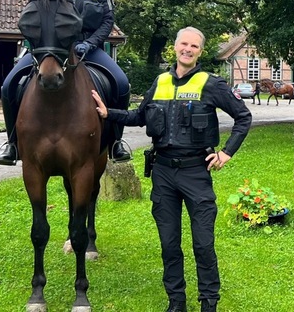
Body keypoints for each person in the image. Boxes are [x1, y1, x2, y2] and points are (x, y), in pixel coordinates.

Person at [92, 26, 252, 312]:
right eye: (183, 44)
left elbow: (243, 116)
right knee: (169, 244)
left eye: (194, 46)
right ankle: (176, 301)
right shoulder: (160, 81)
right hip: (163, 172)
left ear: (200, 51)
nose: (187, 49)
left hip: (195, 172)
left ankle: (208, 302)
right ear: (175, 47)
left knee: (203, 244)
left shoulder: (210, 83)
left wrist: (226, 152)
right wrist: (108, 113)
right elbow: (139, 116)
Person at [0, 0, 131, 165]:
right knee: (9, 85)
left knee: (121, 83)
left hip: (88, 46)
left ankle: (115, 142)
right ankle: (12, 143)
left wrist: (89, 44)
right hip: (52, 47)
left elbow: (108, 20)